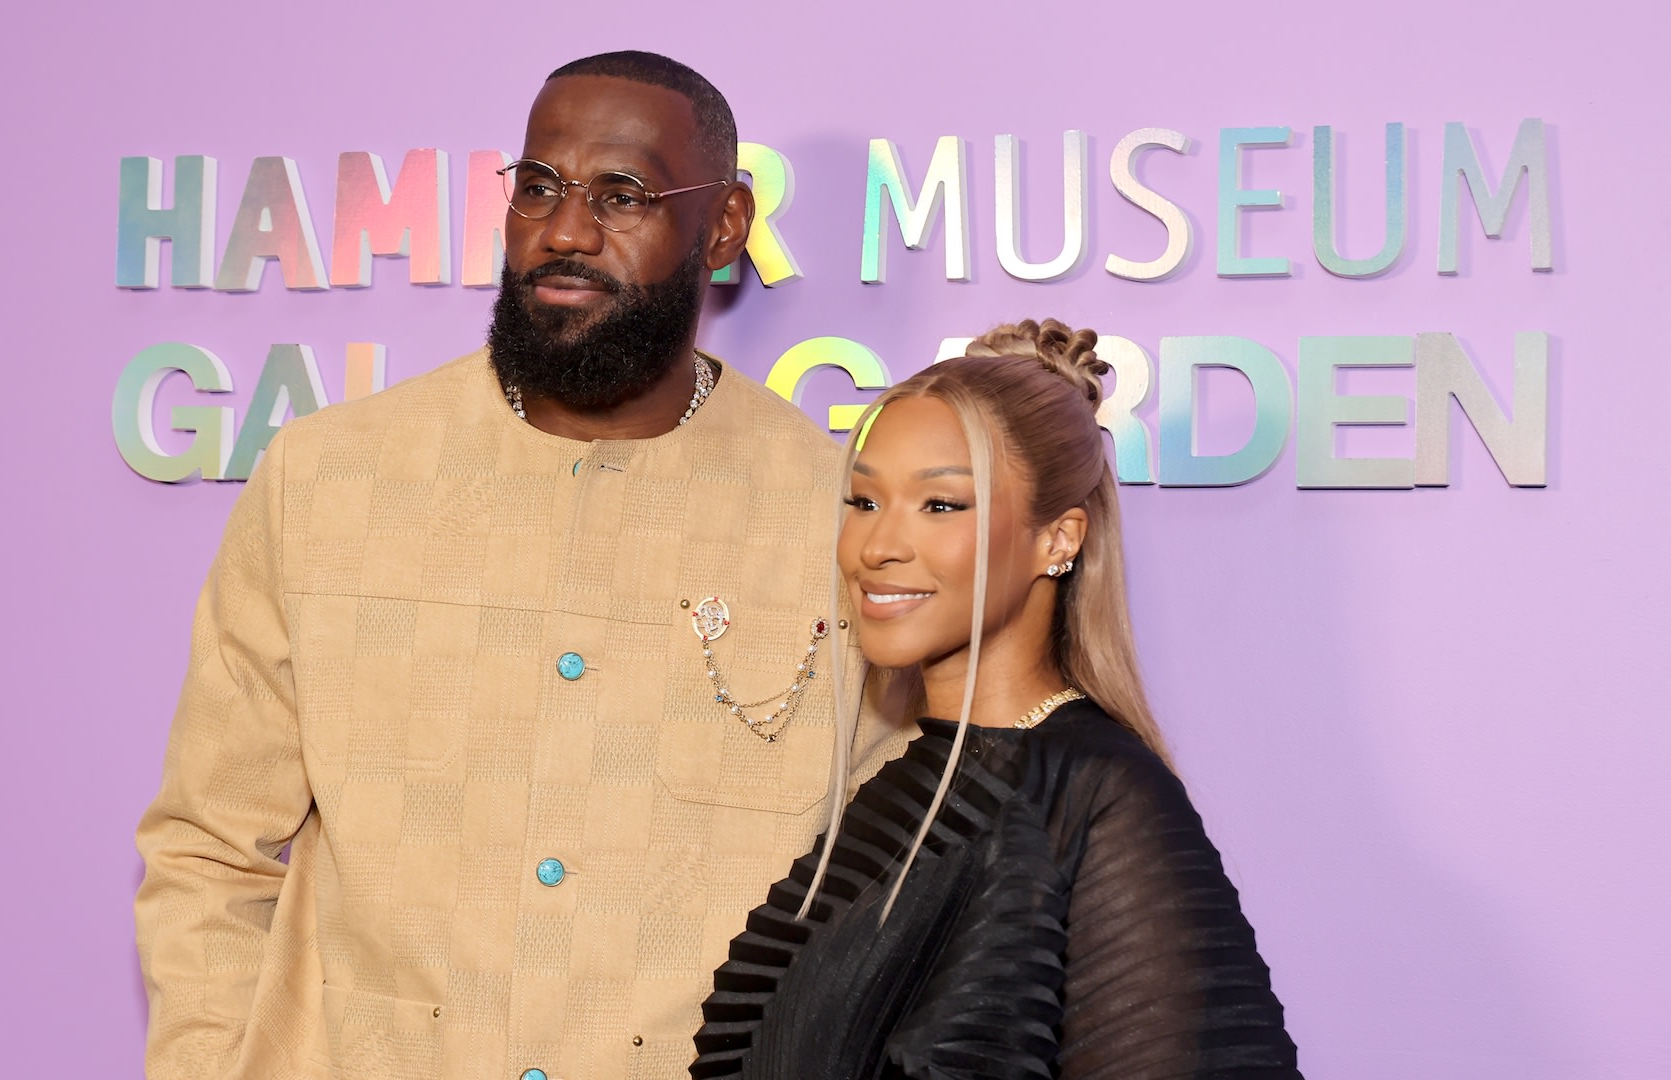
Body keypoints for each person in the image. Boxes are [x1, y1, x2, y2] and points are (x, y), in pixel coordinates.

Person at [134, 51, 904, 1080]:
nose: (567, 231)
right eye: (539, 187)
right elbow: (206, 850)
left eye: (622, 195)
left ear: (722, 225)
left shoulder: (840, 515)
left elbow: (899, 897)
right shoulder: (329, 479)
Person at [692, 319, 1302, 1079]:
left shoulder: (1096, 796)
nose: (877, 546)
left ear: (1058, 539)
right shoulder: (910, 780)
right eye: (863, 501)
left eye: (940, 505)